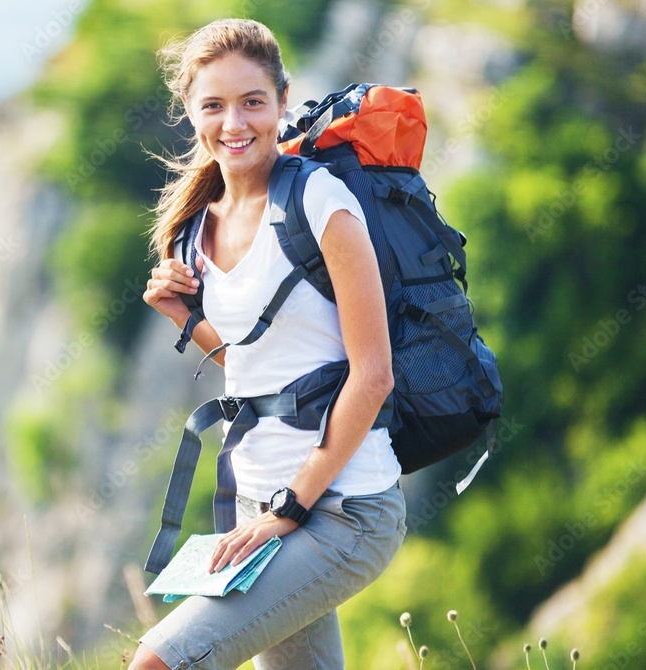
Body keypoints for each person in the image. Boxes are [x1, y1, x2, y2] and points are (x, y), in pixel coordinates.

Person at [134, 18, 406, 670]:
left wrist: (287, 509)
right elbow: (258, 368)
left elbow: (373, 377)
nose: (235, 122)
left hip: (343, 511)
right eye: (214, 105)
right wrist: (182, 316)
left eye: (253, 101)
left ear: (283, 100)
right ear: (192, 115)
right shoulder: (199, 227)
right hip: (256, 508)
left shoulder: (322, 203)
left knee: (158, 662)